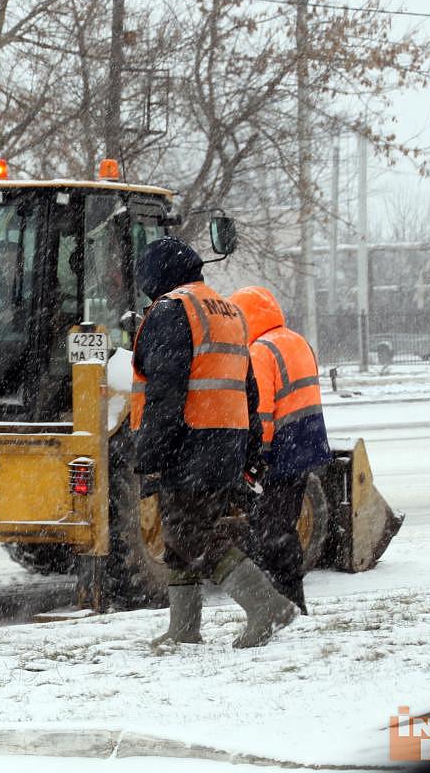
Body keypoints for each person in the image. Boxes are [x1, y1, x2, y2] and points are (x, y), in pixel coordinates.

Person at [130, 238, 297, 649]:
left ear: (159, 275)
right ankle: (184, 628)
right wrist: (252, 450)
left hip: (187, 444)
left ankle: (267, 606)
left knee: (196, 537)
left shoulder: (172, 311)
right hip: (226, 442)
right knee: (180, 534)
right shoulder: (228, 312)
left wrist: (150, 453)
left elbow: (165, 391)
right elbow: (249, 390)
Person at [229, 286, 331, 614]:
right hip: (307, 445)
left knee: (272, 533)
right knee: (284, 525)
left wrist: (256, 459)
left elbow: (262, 413)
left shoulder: (260, 352)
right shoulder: (296, 341)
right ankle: (290, 601)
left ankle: (286, 603)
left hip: (281, 453)